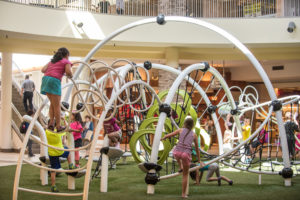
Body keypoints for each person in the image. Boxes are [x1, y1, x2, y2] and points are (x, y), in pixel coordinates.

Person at [161, 118, 201, 198]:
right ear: (192, 125)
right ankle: (183, 194)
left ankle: (180, 166)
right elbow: (197, 149)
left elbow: (170, 134)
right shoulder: (194, 135)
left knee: (178, 157)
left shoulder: (180, 130)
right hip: (186, 154)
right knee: (185, 175)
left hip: (177, 152)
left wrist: (164, 137)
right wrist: (199, 160)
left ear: (185, 123)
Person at [41, 47, 73, 132]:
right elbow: (69, 72)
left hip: (45, 80)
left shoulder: (52, 61)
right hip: (54, 81)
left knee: (53, 104)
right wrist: (71, 75)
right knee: (57, 105)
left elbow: (43, 70)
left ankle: (51, 123)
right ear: (66, 55)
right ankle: (58, 126)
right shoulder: (66, 61)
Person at [45, 126, 75, 192]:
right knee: (68, 150)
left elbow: (45, 128)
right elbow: (64, 134)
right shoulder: (58, 132)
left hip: (52, 153)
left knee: (53, 170)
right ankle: (70, 165)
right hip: (60, 151)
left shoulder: (47, 132)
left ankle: (53, 186)